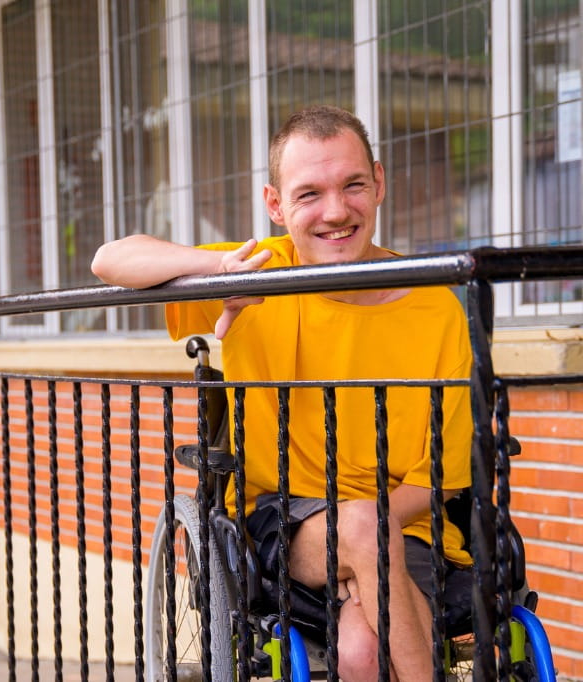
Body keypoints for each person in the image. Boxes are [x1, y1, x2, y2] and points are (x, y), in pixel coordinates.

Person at [91, 105, 472, 681]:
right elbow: (109, 259)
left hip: (403, 528)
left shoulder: (436, 305)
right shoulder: (258, 275)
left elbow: (437, 480)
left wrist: (364, 538)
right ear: (275, 204)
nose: (336, 212)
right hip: (279, 521)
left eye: (353, 186)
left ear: (380, 182)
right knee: (364, 534)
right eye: (309, 194)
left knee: (362, 651)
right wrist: (222, 270)